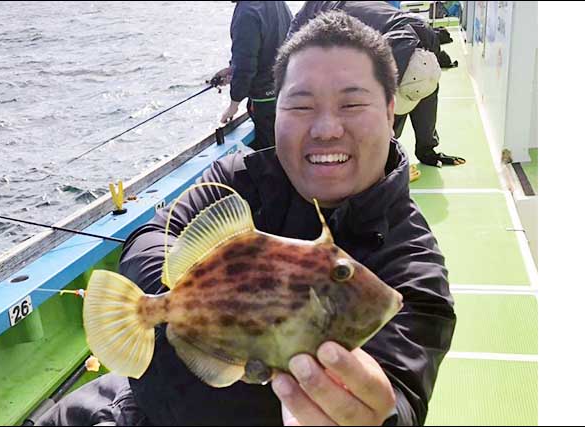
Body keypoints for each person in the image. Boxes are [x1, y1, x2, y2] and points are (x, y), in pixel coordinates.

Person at [37, 11, 455, 426]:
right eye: (301, 104)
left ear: (389, 110)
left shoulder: (413, 264)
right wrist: (221, 295)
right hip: (128, 408)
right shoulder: (242, 177)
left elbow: (401, 389)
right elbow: (150, 236)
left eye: (351, 103)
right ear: (278, 111)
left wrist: (379, 417)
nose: (327, 128)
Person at [290, 1, 466, 167]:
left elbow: (426, 91)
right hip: (324, 21)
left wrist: (427, 148)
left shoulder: (428, 39)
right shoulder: (368, 54)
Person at [212, 1, 293, 151]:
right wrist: (232, 69)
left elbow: (245, 66)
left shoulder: (246, 12)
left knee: (271, 158)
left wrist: (233, 105)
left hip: (265, 103)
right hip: (286, 93)